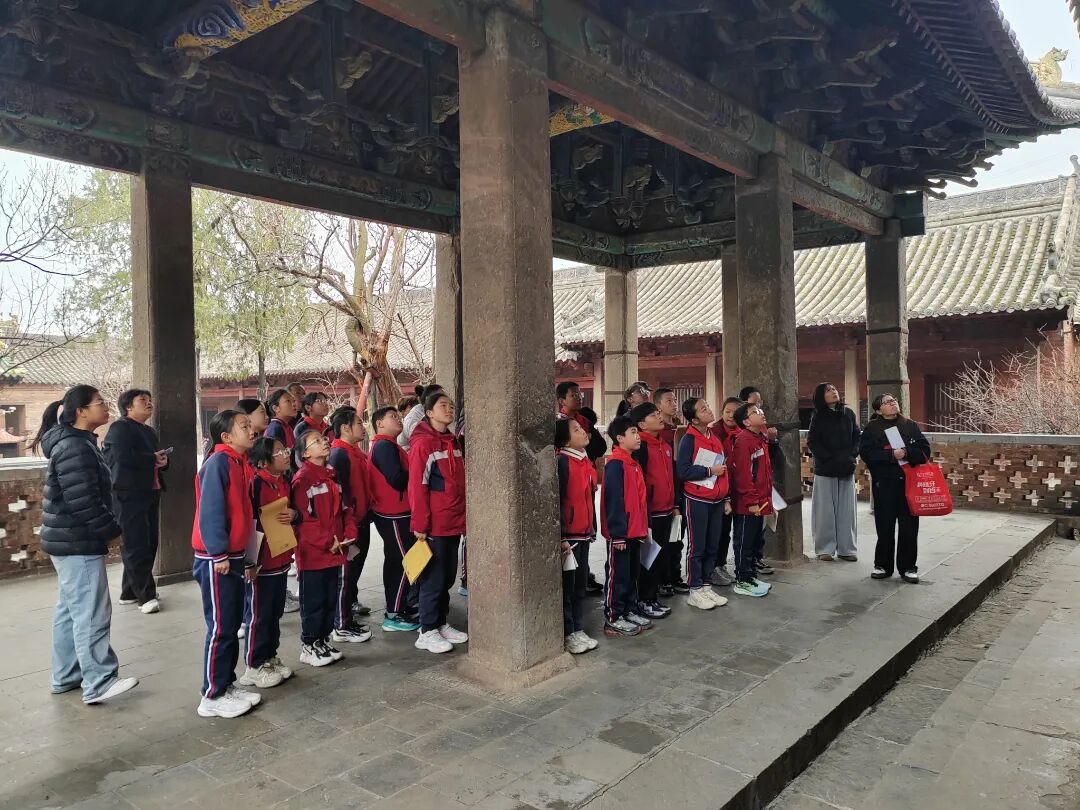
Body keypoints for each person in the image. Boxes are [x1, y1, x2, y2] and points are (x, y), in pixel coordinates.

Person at [33, 385, 139, 705]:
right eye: (99, 403)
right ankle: (98, 681)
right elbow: (83, 501)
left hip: (68, 539)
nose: (105, 407)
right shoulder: (75, 447)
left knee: (71, 611)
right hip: (76, 541)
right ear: (80, 412)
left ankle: (66, 676)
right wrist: (111, 531)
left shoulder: (77, 442)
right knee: (91, 611)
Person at [191, 409, 260, 718]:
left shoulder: (238, 462)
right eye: (244, 426)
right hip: (215, 558)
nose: (251, 430)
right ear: (226, 436)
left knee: (231, 624)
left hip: (232, 555)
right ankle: (212, 695)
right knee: (220, 626)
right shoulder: (219, 463)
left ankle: (226, 684)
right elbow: (211, 511)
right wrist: (219, 553)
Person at [408, 391, 468, 654]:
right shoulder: (423, 444)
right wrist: (420, 524)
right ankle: (427, 630)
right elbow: (417, 486)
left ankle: (441, 623)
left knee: (446, 577)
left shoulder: (451, 441)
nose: (449, 409)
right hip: (435, 524)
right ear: (429, 413)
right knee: (433, 579)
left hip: (454, 520)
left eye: (451, 406)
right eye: (443, 405)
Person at [292, 430, 356, 666]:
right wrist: (328, 542)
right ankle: (309, 644)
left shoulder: (331, 475)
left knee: (330, 598)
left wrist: (349, 532)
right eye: (316, 441)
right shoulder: (303, 480)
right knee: (314, 601)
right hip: (314, 554)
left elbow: (345, 509)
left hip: (336, 550)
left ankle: (322, 640)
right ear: (305, 453)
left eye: (324, 439)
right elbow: (304, 522)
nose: (325, 442)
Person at [102, 388, 168, 615]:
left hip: (150, 491)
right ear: (128, 406)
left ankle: (129, 592)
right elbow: (120, 458)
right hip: (127, 494)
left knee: (149, 543)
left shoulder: (149, 431)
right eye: (143, 400)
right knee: (135, 544)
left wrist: (162, 461)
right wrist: (151, 459)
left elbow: (155, 458)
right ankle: (145, 596)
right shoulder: (119, 428)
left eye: (150, 400)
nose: (149, 403)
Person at [237, 437, 297, 689]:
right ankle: (253, 665)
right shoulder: (256, 484)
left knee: (274, 612)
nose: (286, 454)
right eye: (279, 452)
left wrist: (294, 514)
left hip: (280, 557)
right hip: (262, 562)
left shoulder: (283, 481)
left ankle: (270, 657)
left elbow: (293, 511)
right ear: (263, 462)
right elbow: (249, 523)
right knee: (259, 615)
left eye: (285, 450)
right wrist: (249, 562)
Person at [858, 394, 930, 583]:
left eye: (893, 401)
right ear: (878, 410)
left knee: (909, 528)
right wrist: (891, 456)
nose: (892, 403)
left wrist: (906, 453)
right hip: (884, 483)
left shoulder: (910, 425)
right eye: (887, 402)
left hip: (908, 483)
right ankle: (882, 565)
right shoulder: (872, 428)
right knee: (885, 527)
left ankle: (908, 567)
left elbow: (925, 451)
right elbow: (866, 453)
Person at [676, 398, 731, 610]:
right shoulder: (689, 439)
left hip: (716, 500)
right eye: (703, 409)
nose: (708, 410)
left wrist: (726, 498)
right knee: (697, 546)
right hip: (697, 499)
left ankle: (707, 585)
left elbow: (723, 470)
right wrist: (709, 471)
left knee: (712, 545)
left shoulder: (714, 438)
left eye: (707, 406)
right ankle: (695, 588)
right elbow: (683, 471)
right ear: (694, 419)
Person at [369, 406, 420, 632]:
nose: (398, 419)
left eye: (398, 416)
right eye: (392, 417)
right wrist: (418, 469)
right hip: (393, 514)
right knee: (401, 562)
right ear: (379, 424)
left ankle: (401, 606)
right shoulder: (384, 446)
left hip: (399, 512)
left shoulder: (390, 445)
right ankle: (393, 614)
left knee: (401, 560)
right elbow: (397, 479)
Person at [600, 415, 652, 637]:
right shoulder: (615, 465)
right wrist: (618, 534)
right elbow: (614, 501)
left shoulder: (633, 463)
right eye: (633, 432)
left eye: (637, 432)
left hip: (635, 530)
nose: (638, 436)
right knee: (618, 576)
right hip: (621, 533)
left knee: (632, 574)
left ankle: (630, 609)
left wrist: (642, 527)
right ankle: (613, 617)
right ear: (620, 438)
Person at [328, 406, 374, 639]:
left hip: (360, 519)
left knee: (353, 572)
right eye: (358, 423)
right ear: (345, 428)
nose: (362, 427)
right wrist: (347, 524)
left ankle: (348, 610)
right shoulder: (339, 454)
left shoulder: (354, 452)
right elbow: (340, 493)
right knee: (345, 574)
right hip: (349, 524)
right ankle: (341, 623)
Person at [555, 417, 600, 655]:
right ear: (565, 440)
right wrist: (561, 536)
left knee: (580, 585)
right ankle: (568, 632)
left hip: (583, 533)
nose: (583, 432)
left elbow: (590, 498)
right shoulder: (562, 462)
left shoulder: (585, 461)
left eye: (581, 428)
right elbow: (557, 501)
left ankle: (578, 628)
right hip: (569, 537)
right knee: (568, 587)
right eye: (576, 430)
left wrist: (592, 527)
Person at [629, 403, 675, 621]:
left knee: (661, 556)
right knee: (648, 559)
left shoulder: (664, 444)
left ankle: (652, 597)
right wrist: (644, 514)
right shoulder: (642, 448)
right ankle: (644, 599)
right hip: (651, 512)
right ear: (641, 424)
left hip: (666, 509)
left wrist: (675, 504)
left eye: (658, 413)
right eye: (654, 415)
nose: (659, 417)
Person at [808, 383, 861, 562]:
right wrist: (829, 457)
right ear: (821, 397)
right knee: (825, 510)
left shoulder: (848, 413)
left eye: (834, 389)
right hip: (826, 467)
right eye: (828, 390)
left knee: (847, 510)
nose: (833, 392)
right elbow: (813, 442)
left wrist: (852, 455)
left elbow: (857, 436)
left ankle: (847, 549)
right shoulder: (818, 416)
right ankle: (825, 548)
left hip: (846, 466)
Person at [730, 403, 776, 598]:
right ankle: (742, 580)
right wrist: (751, 501)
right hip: (748, 504)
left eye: (760, 410)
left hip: (760, 501)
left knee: (755, 541)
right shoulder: (743, 440)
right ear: (746, 422)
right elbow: (743, 475)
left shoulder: (760, 438)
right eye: (755, 412)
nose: (761, 413)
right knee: (744, 542)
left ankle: (751, 576)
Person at [707, 396, 745, 586]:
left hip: (737, 489)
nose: (730, 415)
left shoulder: (744, 432)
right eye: (727, 411)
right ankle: (713, 567)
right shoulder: (713, 433)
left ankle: (720, 565)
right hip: (719, 490)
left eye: (734, 412)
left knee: (727, 531)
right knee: (718, 531)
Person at [653, 388, 685, 596]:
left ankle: (675, 576)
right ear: (657, 405)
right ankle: (661, 580)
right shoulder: (658, 433)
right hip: (664, 494)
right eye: (668, 401)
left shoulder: (680, 429)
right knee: (662, 541)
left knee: (677, 537)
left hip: (682, 488)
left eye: (674, 400)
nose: (674, 404)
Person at [556, 381, 607, 461]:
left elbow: (601, 449)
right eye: (573, 395)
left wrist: (590, 437)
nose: (579, 398)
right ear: (562, 401)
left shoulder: (585, 421)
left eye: (579, 394)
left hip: (587, 464)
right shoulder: (558, 423)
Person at [400, 383, 442, 452]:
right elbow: (421, 443)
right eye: (440, 397)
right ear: (428, 399)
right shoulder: (413, 418)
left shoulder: (435, 414)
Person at [265, 389, 298, 454]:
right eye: (288, 401)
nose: (294, 404)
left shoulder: (285, 425)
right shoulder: (275, 428)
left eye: (294, 401)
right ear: (276, 408)